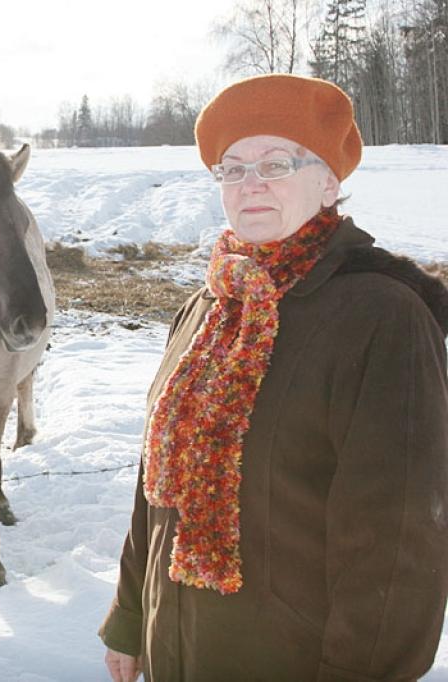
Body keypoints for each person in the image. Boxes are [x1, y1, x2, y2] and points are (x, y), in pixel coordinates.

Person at [99, 73, 448, 681]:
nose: (250, 184)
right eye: (232, 167)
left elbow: (398, 545)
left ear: (330, 182)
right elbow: (156, 488)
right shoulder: (205, 310)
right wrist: (131, 619)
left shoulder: (380, 317)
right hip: (175, 653)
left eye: (277, 161)